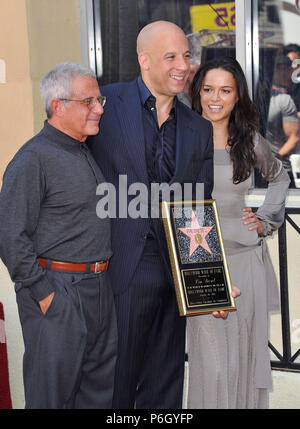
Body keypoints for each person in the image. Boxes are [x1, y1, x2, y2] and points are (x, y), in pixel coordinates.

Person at [88, 20, 215, 409]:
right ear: (144, 60)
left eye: (186, 56)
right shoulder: (104, 105)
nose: (183, 65)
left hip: (174, 273)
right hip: (119, 270)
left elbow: (198, 207)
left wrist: (207, 278)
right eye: (171, 56)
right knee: (117, 382)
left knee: (166, 381)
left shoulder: (198, 128)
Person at [0, 62, 118, 409]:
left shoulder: (83, 150)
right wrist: (44, 292)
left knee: (97, 396)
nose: (98, 109)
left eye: (99, 101)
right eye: (89, 102)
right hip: (57, 290)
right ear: (58, 106)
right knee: (51, 398)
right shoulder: (32, 159)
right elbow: (10, 234)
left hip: (98, 290)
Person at [187, 56, 290, 408]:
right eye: (208, 89)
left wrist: (266, 219)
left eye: (225, 90)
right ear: (198, 92)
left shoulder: (247, 140)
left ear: (237, 97)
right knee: (213, 365)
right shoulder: (180, 137)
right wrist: (205, 274)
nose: (215, 98)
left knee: (245, 358)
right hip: (202, 263)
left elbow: (279, 176)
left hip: (247, 263)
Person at [266, 55, 299, 187]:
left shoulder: (291, 94)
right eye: (280, 69)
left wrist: (275, 159)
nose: (284, 72)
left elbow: (293, 138)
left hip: (282, 166)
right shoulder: (260, 96)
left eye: (287, 68)